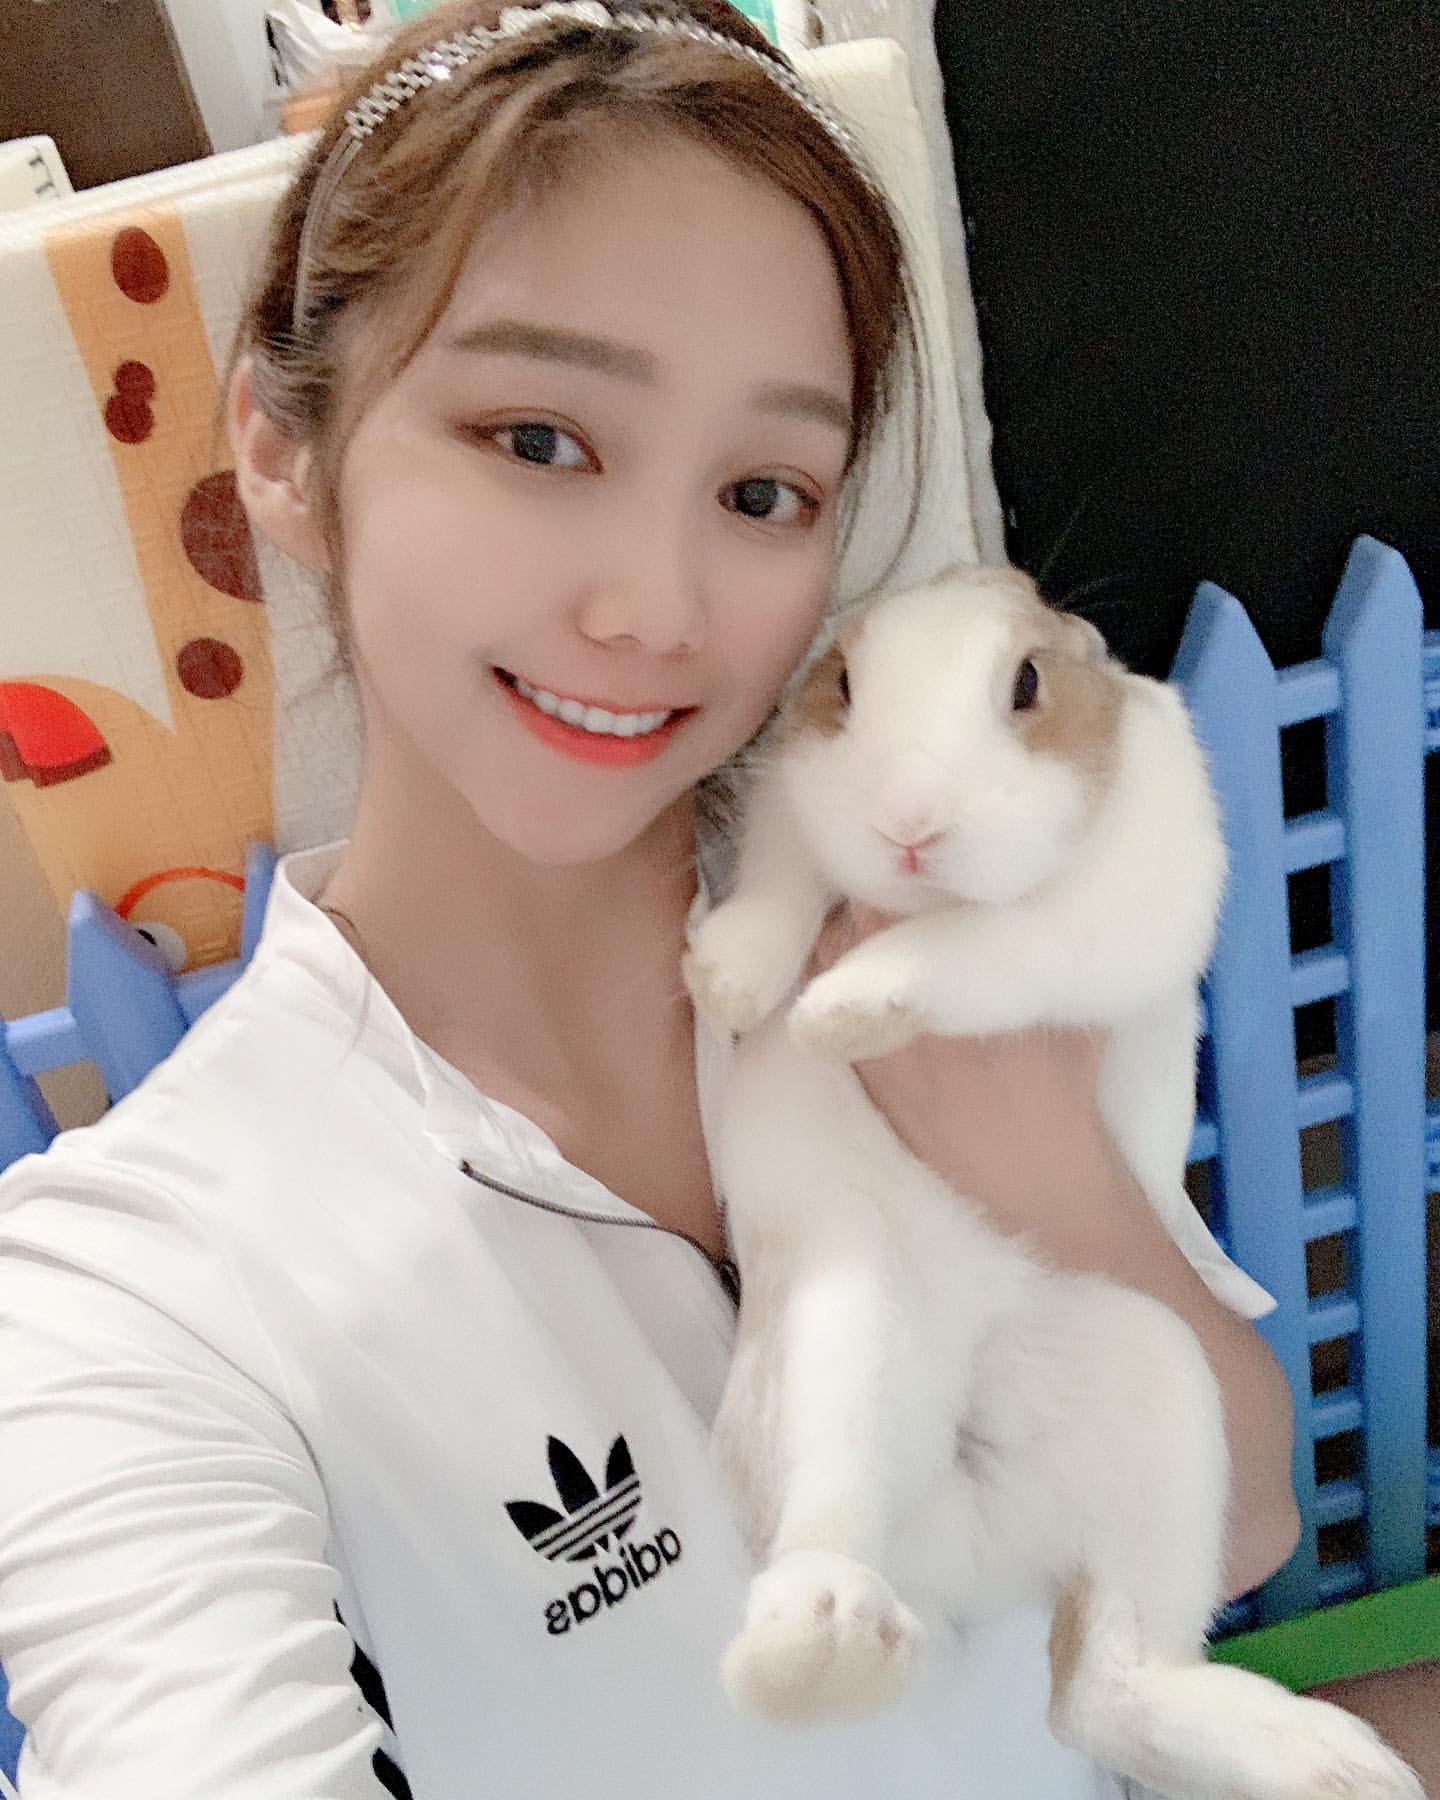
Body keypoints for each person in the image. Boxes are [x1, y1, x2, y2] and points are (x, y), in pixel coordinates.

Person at [0, 3, 1302, 1795]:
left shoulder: (937, 952)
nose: (659, 608)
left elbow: (1234, 1529)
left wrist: (1052, 1171)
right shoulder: (134, 1285)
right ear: (283, 449)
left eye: (763, 491)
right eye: (538, 439)